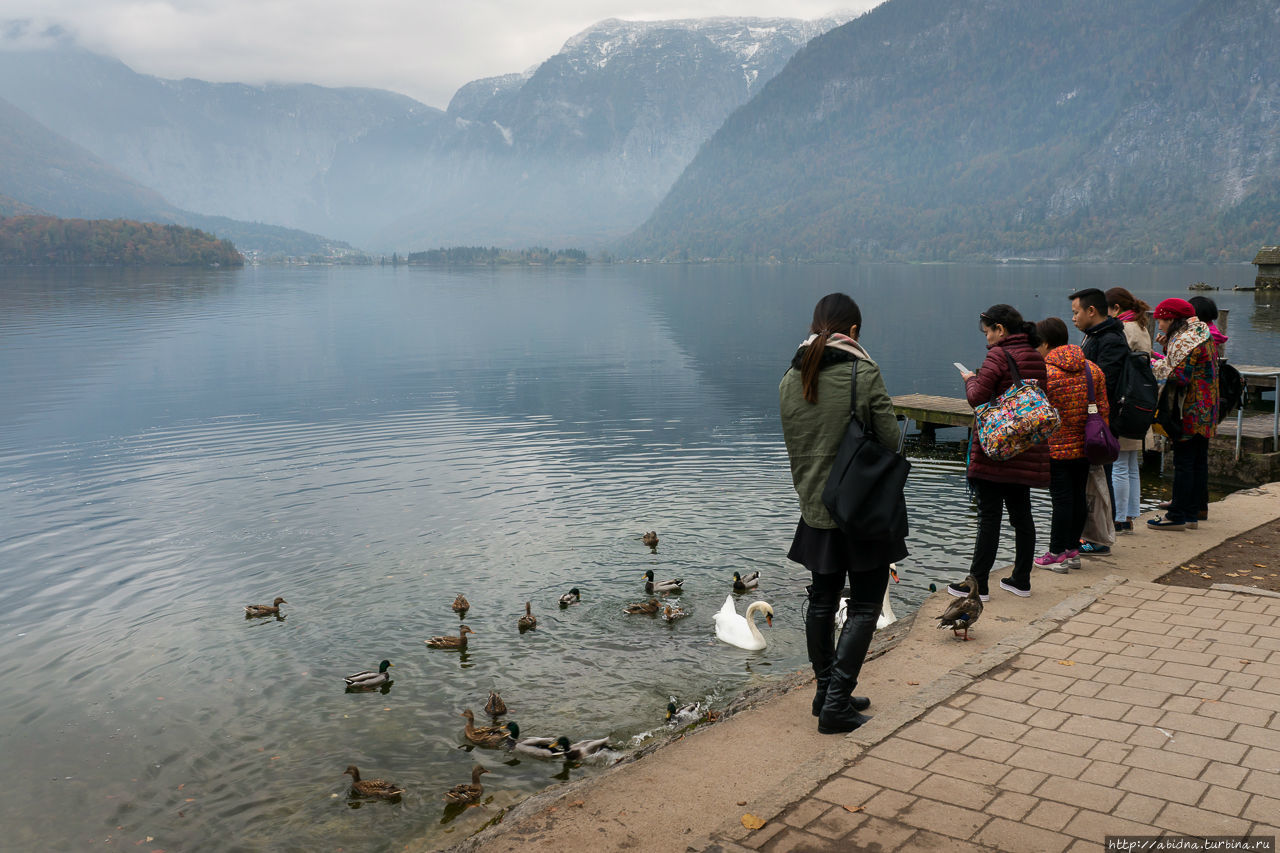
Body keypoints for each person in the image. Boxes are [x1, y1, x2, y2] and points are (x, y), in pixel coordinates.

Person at [780, 293, 905, 734]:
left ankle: (824, 691)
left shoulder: (789, 378)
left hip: (814, 508)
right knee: (866, 604)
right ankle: (836, 704)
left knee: (822, 600)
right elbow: (890, 439)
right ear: (851, 332)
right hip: (861, 508)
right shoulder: (862, 371)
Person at [949, 304, 1048, 600]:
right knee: (1022, 516)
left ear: (1001, 330)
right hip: (1025, 446)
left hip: (997, 447)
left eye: (988, 331)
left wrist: (971, 381)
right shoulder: (1034, 354)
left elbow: (978, 398)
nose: (987, 338)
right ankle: (1021, 580)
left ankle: (977, 585)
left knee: (989, 516)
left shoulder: (998, 354)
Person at [1033, 318, 1108, 571]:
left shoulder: (1046, 373)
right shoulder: (1092, 369)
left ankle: (1056, 554)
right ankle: (1073, 551)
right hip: (1086, 446)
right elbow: (1103, 410)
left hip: (1056, 448)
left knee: (1062, 501)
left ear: (1045, 343)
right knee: (1077, 498)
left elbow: (1038, 416)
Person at [1148, 298, 1218, 530]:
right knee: (1197, 460)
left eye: (1161, 320)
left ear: (1172, 318)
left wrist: (1151, 365)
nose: (1159, 325)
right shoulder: (1201, 332)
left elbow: (1179, 376)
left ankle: (1176, 515)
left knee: (1184, 461)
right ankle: (1192, 513)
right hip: (1206, 407)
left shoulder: (1187, 339)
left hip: (1189, 409)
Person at [1068, 287, 1129, 555]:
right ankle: (1090, 534)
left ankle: (1101, 538)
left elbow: (1106, 382)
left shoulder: (1110, 340)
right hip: (1093, 419)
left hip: (1101, 422)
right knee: (1092, 480)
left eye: (1076, 312)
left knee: (1101, 480)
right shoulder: (1094, 336)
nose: (1073, 318)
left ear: (1091, 311)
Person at [1105, 286, 1153, 533]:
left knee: (1120, 465)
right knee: (1132, 463)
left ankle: (1120, 517)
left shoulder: (1123, 329)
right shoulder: (1142, 326)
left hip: (1126, 402)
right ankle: (1131, 514)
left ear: (1115, 309)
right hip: (1140, 402)